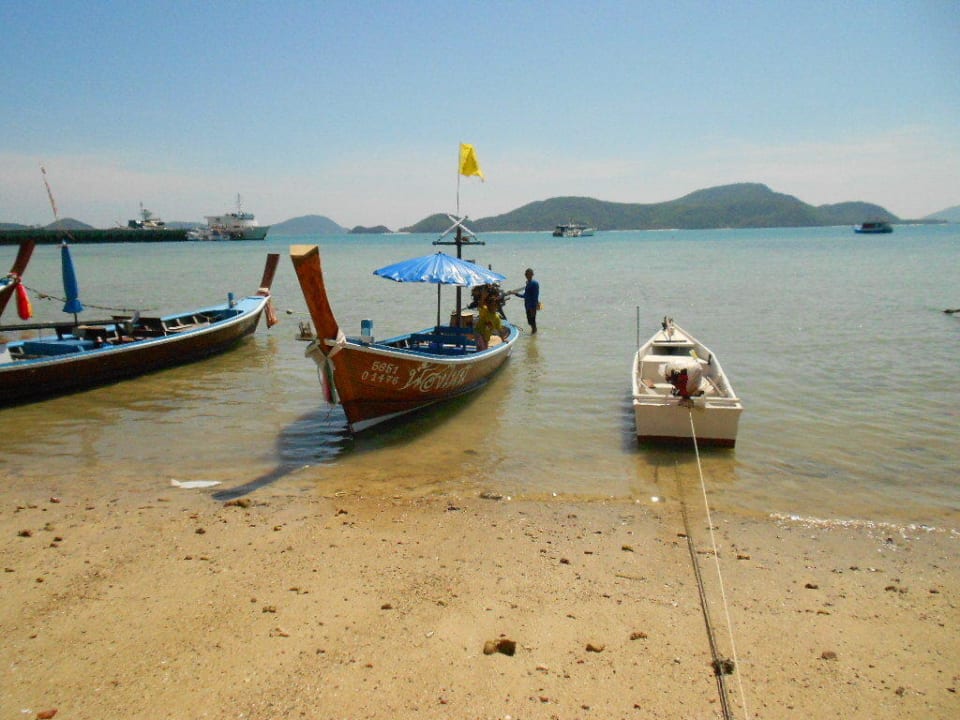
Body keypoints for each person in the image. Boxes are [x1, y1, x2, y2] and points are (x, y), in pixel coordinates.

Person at [511, 268, 540, 334]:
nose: (527, 275)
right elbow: (525, 295)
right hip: (527, 305)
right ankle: (534, 333)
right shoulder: (528, 283)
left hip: (532, 306)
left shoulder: (534, 283)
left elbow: (536, 295)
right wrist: (516, 294)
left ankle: (533, 334)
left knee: (532, 321)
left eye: (529, 274)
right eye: (526, 274)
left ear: (532, 274)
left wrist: (535, 306)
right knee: (529, 321)